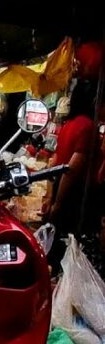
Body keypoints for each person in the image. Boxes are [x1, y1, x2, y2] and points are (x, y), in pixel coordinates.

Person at [46, 81, 102, 235]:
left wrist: (50, 196)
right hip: (73, 194)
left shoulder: (67, 125)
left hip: (61, 187)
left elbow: (54, 162)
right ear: (93, 100)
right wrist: (57, 203)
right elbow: (71, 170)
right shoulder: (88, 126)